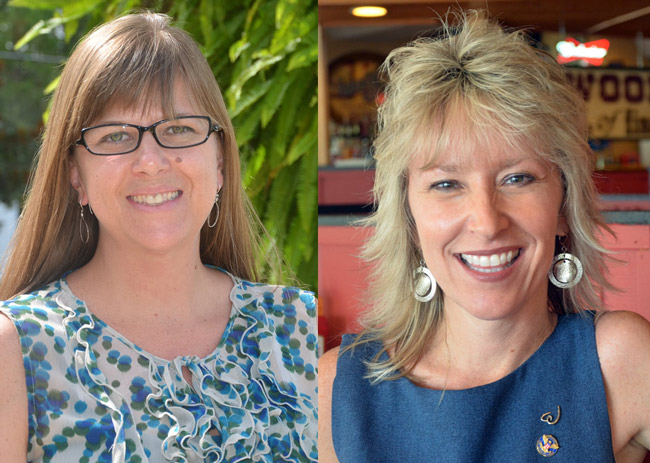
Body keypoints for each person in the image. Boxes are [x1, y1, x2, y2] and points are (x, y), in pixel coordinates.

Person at [319, 10, 650, 463]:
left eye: (518, 179)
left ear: (564, 206)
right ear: (409, 218)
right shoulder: (335, 390)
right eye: (446, 184)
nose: (487, 222)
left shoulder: (620, 361)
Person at [0, 12, 317, 463]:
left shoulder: (303, 329)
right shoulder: (16, 352)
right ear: (75, 173)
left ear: (221, 160)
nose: (150, 161)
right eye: (114, 137)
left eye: (178, 130)